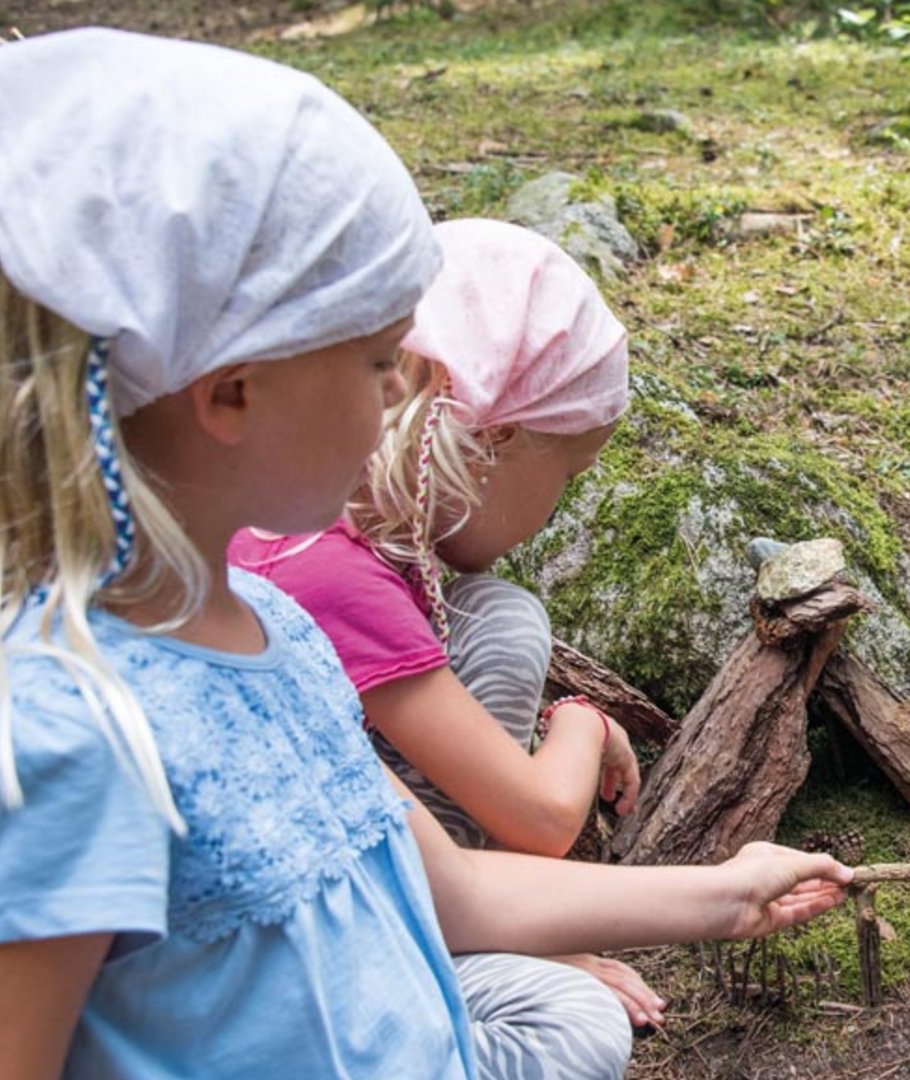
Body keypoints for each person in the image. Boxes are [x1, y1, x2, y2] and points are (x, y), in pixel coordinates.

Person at [0, 29, 850, 1080]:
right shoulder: (46, 746)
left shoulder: (272, 630)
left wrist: (725, 893)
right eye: (380, 359)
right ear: (233, 391)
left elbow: (450, 892)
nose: (400, 399)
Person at [229, 217, 664, 1028]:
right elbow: (539, 817)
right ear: (496, 435)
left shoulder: (301, 516)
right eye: (565, 475)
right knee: (575, 1030)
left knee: (492, 608)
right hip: (309, 947)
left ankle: (486, 920)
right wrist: (584, 722)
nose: (552, 511)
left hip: (339, 868)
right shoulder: (332, 576)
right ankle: (488, 932)